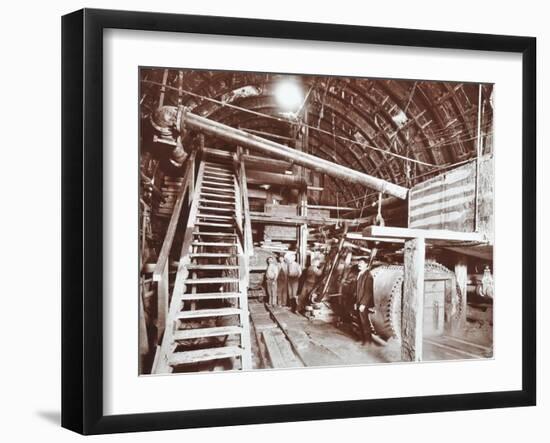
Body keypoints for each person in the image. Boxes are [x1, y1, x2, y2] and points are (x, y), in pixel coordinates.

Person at [355, 257, 376, 344]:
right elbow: (358, 290)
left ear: (366, 264)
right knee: (360, 321)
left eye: (361, 263)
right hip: (359, 301)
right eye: (358, 262)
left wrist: (363, 304)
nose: (359, 264)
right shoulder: (360, 273)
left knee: (364, 322)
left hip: (364, 302)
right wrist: (356, 302)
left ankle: (367, 341)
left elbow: (368, 292)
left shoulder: (368, 275)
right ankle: (362, 338)